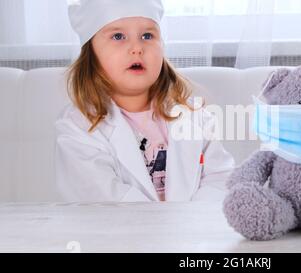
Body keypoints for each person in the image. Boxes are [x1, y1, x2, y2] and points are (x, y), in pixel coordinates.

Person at [55, 0, 235, 202]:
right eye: (118, 36)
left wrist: (188, 225)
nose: (137, 48)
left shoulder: (195, 116)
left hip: (191, 230)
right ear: (91, 55)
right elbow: (99, 195)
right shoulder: (78, 127)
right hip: (122, 232)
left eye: (147, 36)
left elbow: (220, 180)